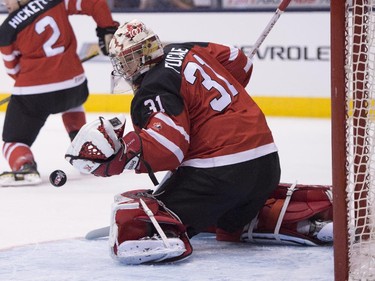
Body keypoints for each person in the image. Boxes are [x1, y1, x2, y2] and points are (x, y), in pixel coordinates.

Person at [65, 19, 333, 264]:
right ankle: (288, 219)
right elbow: (239, 60)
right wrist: (209, 104)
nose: (126, 68)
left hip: (219, 175)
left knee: (140, 215)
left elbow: (169, 149)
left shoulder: (154, 86)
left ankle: (156, 233)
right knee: (228, 218)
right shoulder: (190, 48)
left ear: (144, 54)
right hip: (266, 165)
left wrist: (123, 155)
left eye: (129, 60)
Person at [0, 0, 119, 186]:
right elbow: (96, 3)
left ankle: (24, 166)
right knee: (73, 102)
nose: (5, 2)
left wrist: (38, 82)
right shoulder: (55, 2)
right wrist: (107, 30)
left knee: (13, 141)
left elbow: (13, 70)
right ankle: (86, 149)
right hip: (74, 86)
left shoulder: (7, 30)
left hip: (34, 93)